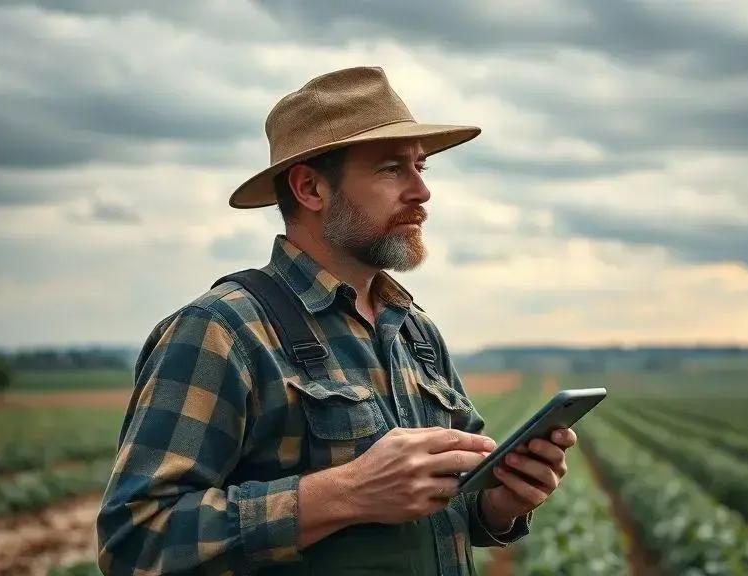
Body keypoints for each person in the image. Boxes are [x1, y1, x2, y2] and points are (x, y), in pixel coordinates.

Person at [95, 66, 578, 575]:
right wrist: (342, 493)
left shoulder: (415, 331)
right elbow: (134, 542)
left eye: (422, 168)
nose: (421, 191)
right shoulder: (221, 331)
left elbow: (444, 510)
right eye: (393, 169)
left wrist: (499, 504)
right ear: (310, 189)